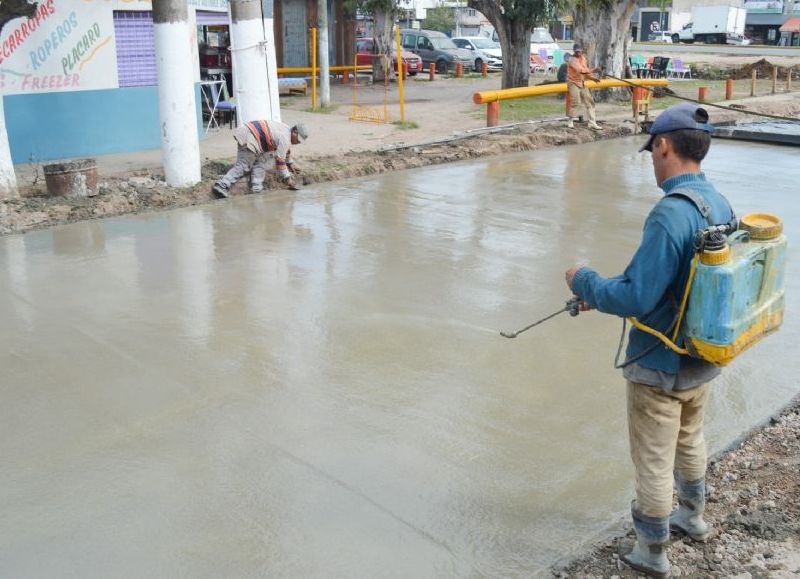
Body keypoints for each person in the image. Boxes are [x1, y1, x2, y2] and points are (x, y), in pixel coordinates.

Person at [564, 103, 736, 578]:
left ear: (663, 146)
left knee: (654, 459)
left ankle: (652, 551)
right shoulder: (719, 204)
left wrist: (585, 282)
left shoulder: (668, 214)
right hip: (701, 356)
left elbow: (639, 296)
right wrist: (610, 292)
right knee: (690, 437)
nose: (653, 162)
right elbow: (676, 282)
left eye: (652, 152)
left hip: (658, 361)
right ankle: (694, 517)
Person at [213, 121, 308, 198]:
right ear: (294, 131)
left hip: (254, 136)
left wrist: (290, 163)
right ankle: (222, 184)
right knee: (244, 165)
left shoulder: (287, 130)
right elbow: (280, 161)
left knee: (262, 161)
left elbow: (284, 150)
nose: (298, 142)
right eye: (299, 139)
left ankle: (257, 188)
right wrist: (288, 179)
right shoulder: (285, 138)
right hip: (250, 137)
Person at [566, 43, 601, 130]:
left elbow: (586, 73)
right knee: (576, 101)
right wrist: (595, 70)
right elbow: (581, 71)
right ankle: (570, 121)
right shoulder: (572, 60)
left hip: (581, 82)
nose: (578, 53)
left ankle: (592, 123)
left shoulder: (583, 59)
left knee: (590, 102)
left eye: (579, 51)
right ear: (574, 52)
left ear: (582, 51)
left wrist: (593, 78)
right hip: (573, 83)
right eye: (576, 52)